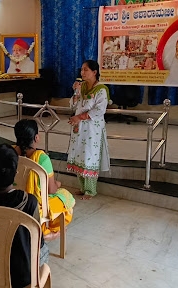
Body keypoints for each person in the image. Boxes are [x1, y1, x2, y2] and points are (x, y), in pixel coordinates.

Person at [0, 144, 49, 288]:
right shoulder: (29, 202)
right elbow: (38, 243)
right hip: (21, 277)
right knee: (45, 249)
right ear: (15, 172)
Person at [13, 119, 75, 239]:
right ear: (36, 138)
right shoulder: (42, 158)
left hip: (13, 198)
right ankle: (48, 232)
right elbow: (51, 190)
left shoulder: (9, 152)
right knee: (65, 197)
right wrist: (57, 184)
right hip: (34, 205)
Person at [68, 60, 110, 200]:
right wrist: (75, 93)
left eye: (86, 70)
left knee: (89, 156)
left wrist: (79, 117)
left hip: (92, 130)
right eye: (81, 70)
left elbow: (99, 110)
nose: (82, 73)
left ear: (94, 72)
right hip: (79, 127)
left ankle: (90, 190)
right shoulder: (82, 87)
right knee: (79, 154)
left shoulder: (101, 89)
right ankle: (82, 187)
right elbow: (74, 105)